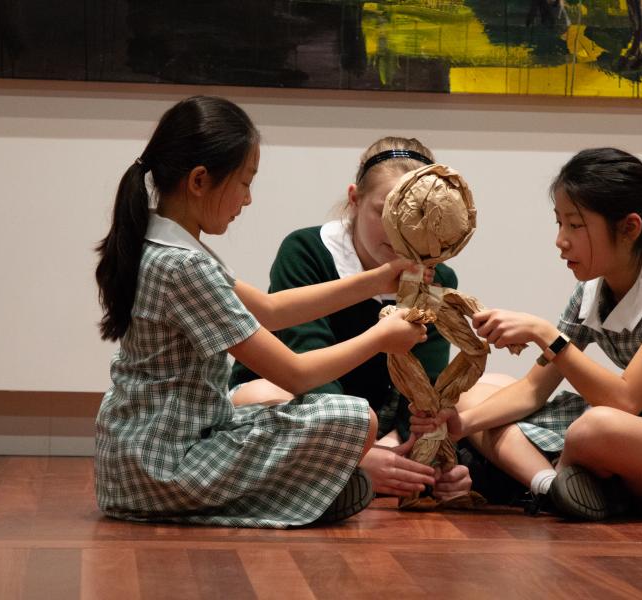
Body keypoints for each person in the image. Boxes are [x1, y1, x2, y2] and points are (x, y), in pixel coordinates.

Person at [93, 96, 428, 528]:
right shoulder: (184, 266)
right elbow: (296, 374)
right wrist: (381, 338)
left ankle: (302, 492)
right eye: (245, 182)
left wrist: (376, 280)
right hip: (162, 464)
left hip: (141, 453)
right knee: (351, 418)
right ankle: (290, 495)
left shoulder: (164, 244)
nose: (248, 199)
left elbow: (270, 310)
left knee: (326, 419)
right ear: (199, 181)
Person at [414, 147, 642, 521]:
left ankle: (554, 479)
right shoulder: (592, 289)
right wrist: (459, 426)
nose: (561, 239)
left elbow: (624, 402)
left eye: (575, 225)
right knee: (474, 393)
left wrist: (544, 333)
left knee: (595, 428)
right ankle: (550, 486)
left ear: (629, 228)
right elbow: (533, 389)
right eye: (559, 223)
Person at [230, 136, 513, 502]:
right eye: (385, 212)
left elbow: (423, 384)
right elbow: (304, 363)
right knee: (262, 396)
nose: (402, 231)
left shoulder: (439, 278)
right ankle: (349, 471)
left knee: (494, 387)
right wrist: (360, 452)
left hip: (377, 422)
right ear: (354, 199)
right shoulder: (306, 251)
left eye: (419, 217)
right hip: (305, 398)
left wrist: (412, 448)